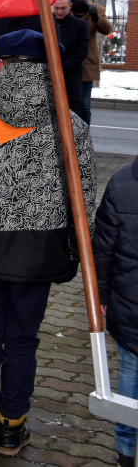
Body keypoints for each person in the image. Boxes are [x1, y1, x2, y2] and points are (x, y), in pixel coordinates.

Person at [0, 29, 96, 457]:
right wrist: (78, 253)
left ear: (4, 65)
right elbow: (81, 194)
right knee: (24, 339)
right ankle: (12, 427)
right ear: (51, 69)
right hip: (38, 251)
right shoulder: (70, 124)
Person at [93, 154, 138, 467]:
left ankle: (126, 450)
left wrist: (103, 294)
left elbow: (103, 248)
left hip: (128, 303)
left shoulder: (122, 180)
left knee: (130, 372)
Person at [70, 0, 113, 125]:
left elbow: (106, 30)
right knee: (69, 103)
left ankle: (85, 134)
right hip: (69, 62)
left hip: (88, 62)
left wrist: (97, 18)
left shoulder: (97, 10)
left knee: (84, 104)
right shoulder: (67, 9)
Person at [51, 0, 89, 118]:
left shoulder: (80, 25)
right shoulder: (46, 23)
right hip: (49, 77)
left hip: (71, 78)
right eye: (56, 8)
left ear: (70, 6)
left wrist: (63, 66)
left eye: (63, 8)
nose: (59, 12)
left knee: (74, 115)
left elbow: (82, 51)